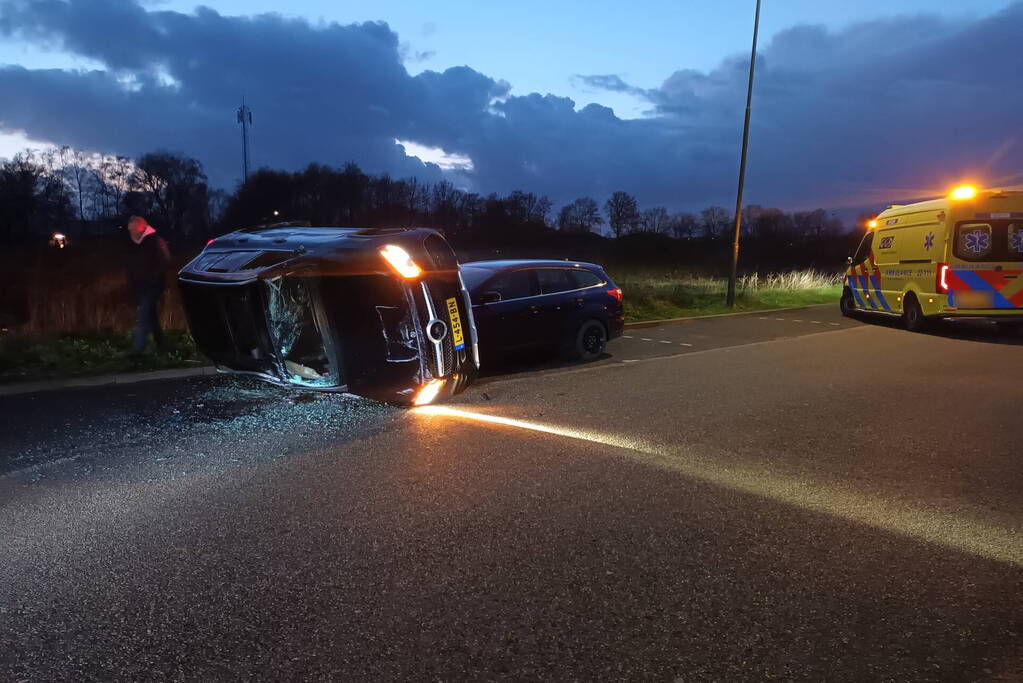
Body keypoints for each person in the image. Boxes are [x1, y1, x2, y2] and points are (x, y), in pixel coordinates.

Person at [125, 216, 170, 354]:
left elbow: (163, 263)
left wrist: (150, 281)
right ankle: (161, 344)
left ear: (141, 228)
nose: (131, 233)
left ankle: (138, 350)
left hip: (152, 286)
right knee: (151, 316)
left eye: (133, 230)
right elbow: (130, 266)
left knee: (143, 314)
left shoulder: (155, 242)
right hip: (140, 287)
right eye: (130, 230)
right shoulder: (133, 243)